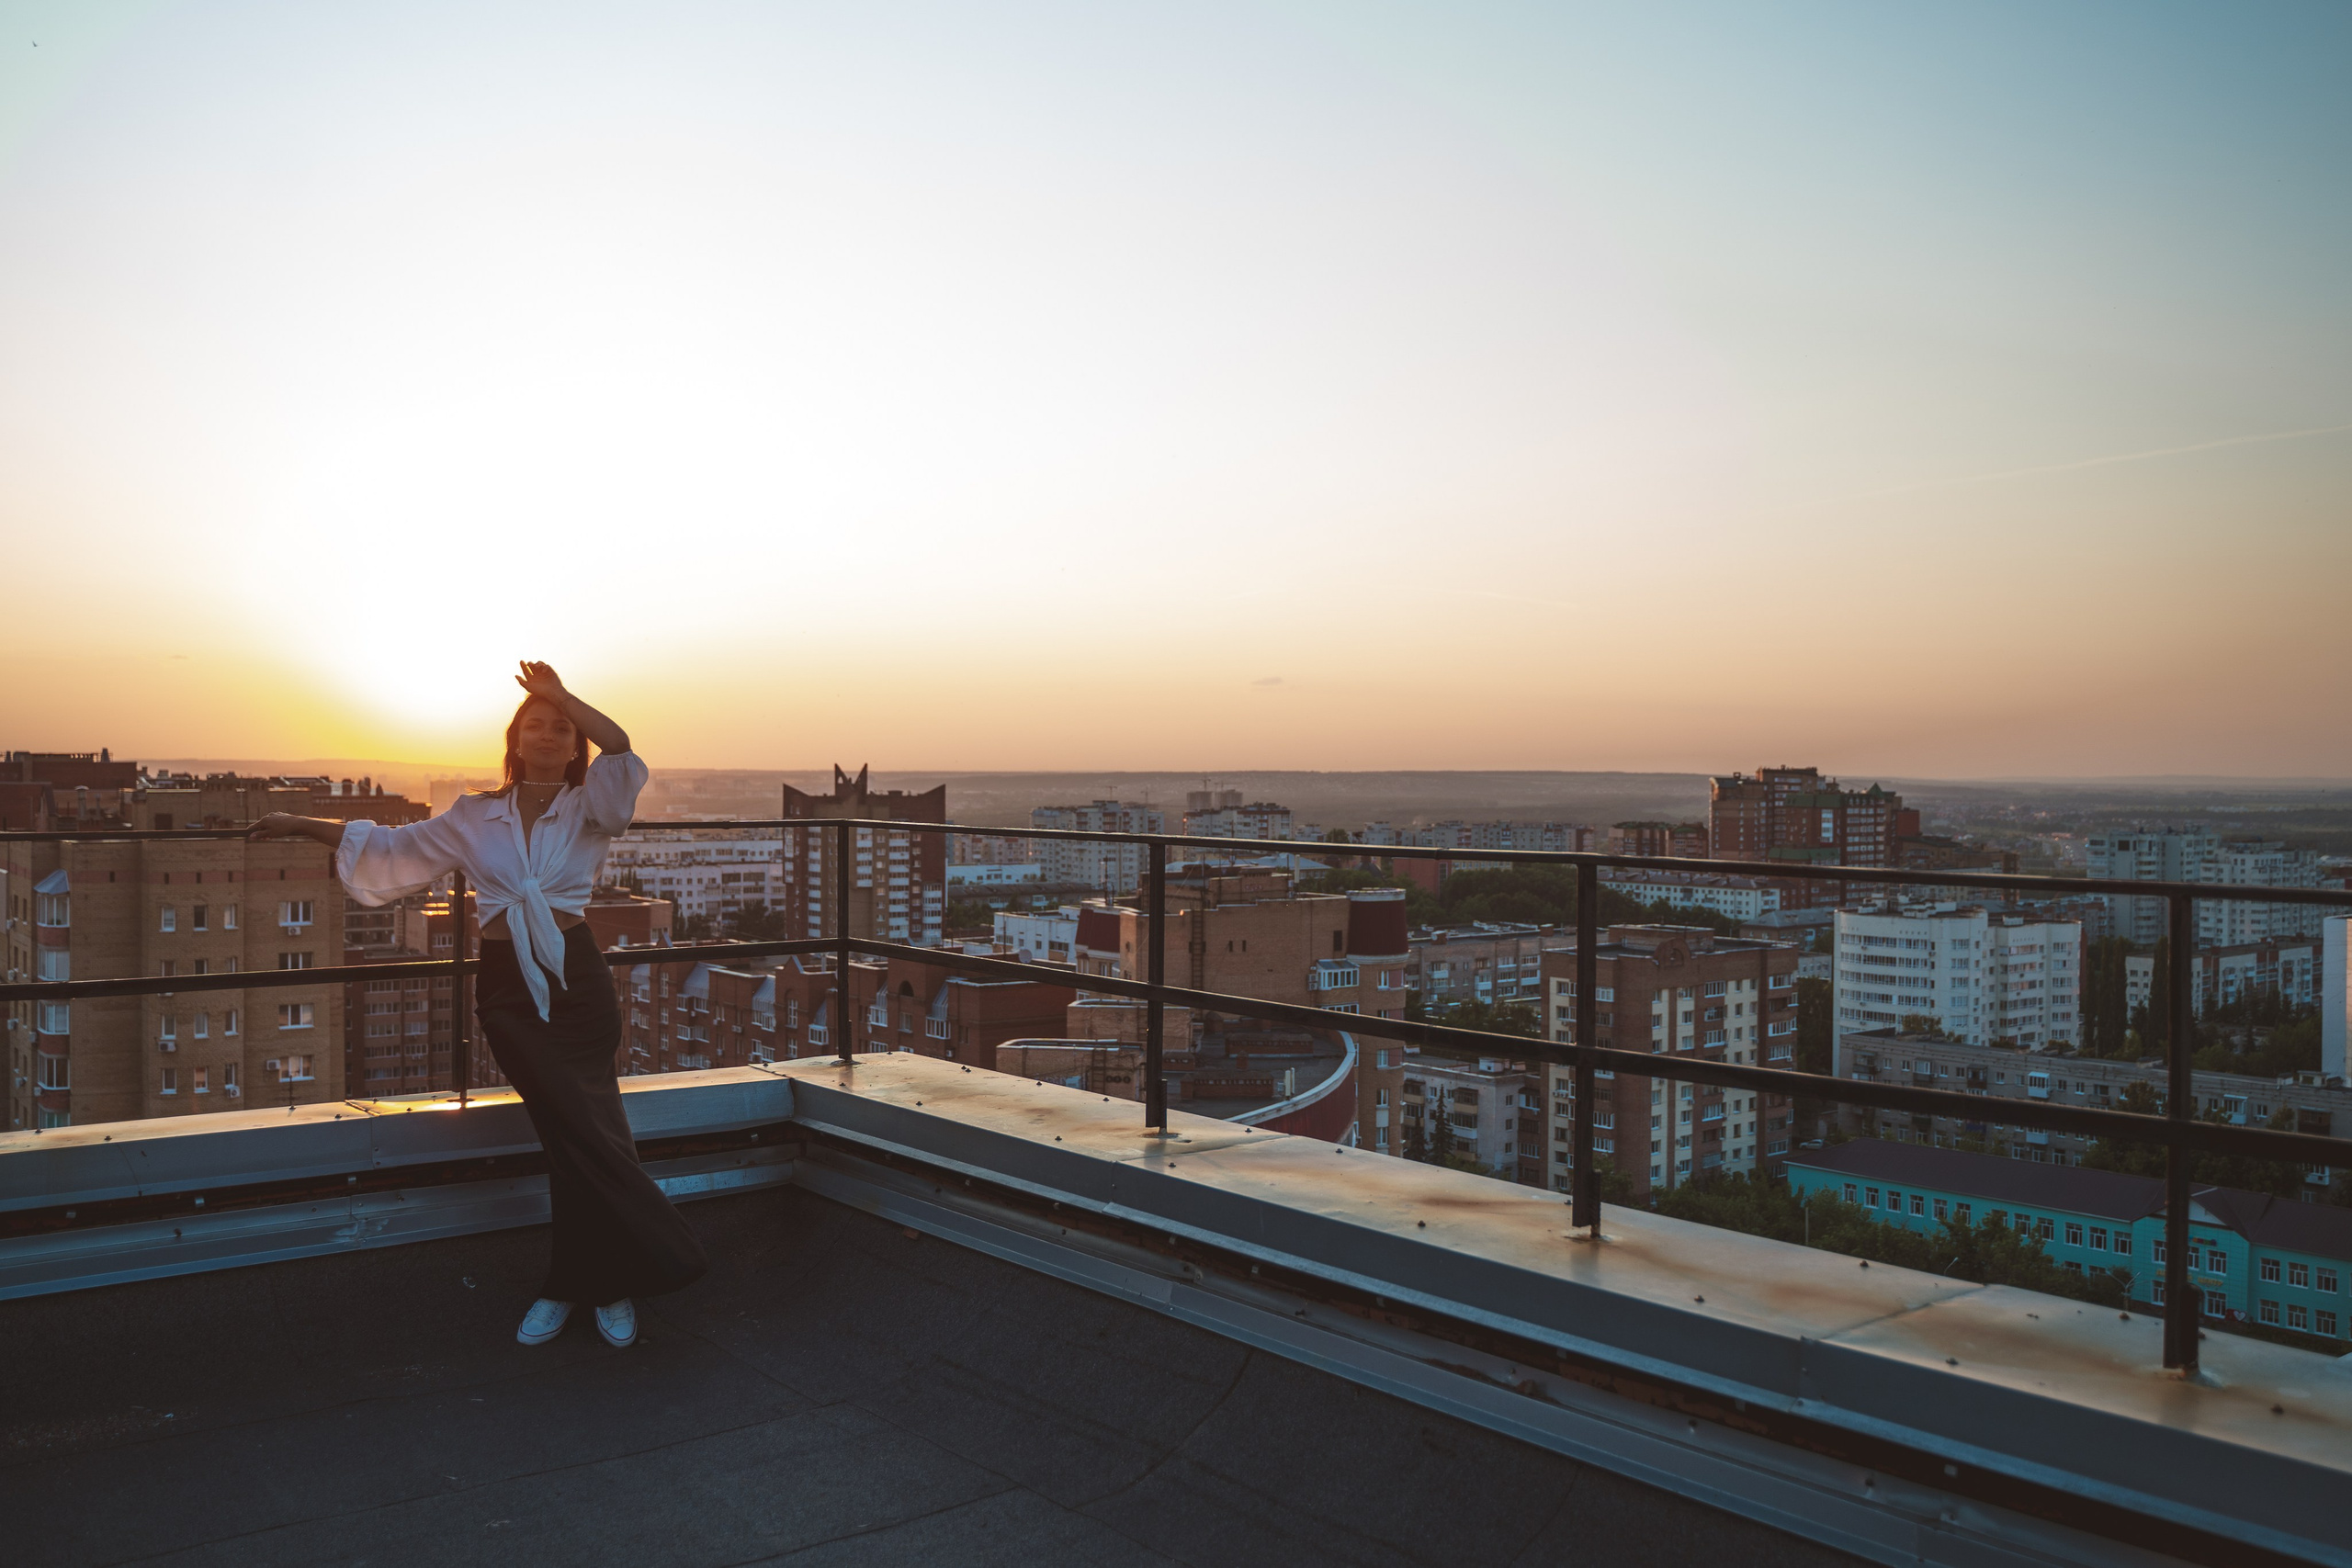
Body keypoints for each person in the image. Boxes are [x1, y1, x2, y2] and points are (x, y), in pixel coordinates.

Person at [251, 660, 707, 1348]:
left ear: (572, 738)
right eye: (536, 723)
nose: (549, 733)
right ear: (515, 739)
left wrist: (559, 693)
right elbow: (388, 846)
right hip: (506, 988)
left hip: (575, 983)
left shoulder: (592, 805)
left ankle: (578, 1284)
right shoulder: (473, 815)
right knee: (578, 1133)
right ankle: (641, 1263)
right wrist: (295, 820)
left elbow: (620, 746)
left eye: (560, 726)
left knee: (579, 1137)